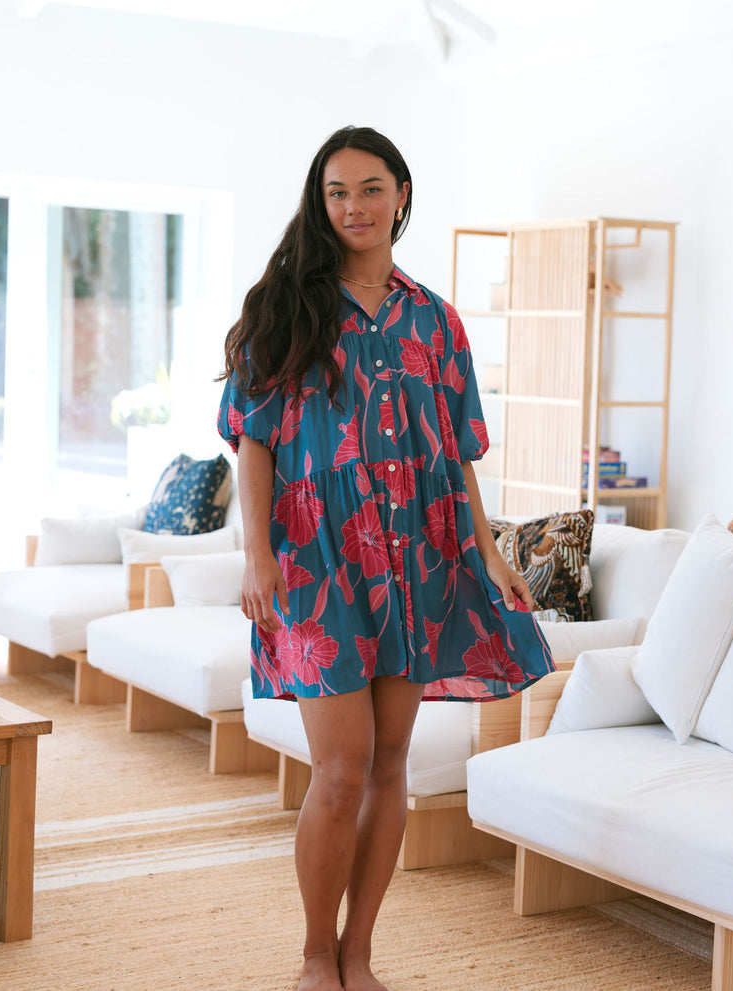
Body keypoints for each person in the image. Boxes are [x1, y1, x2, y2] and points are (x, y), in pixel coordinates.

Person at [217, 126, 554, 991]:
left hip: (420, 557)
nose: (353, 207)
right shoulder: (283, 304)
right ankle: (313, 954)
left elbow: (459, 452)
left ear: (401, 193)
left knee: (389, 765)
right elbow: (253, 442)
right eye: (336, 192)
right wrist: (258, 556)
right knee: (337, 769)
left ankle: (360, 950)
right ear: (318, 200)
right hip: (316, 559)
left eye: (370, 188)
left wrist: (489, 551)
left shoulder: (435, 319)